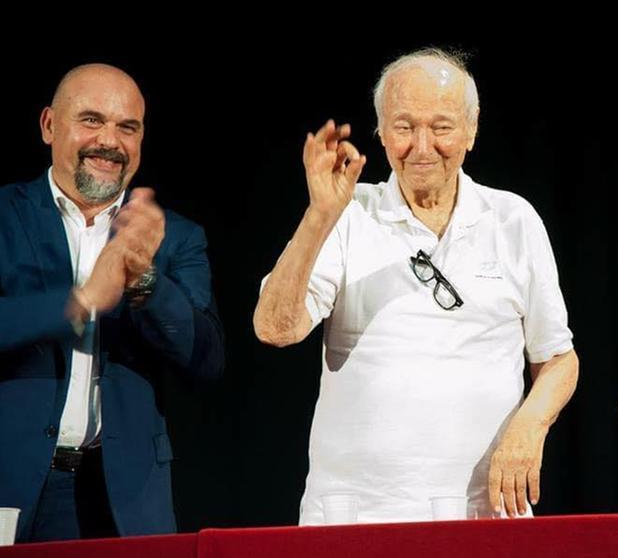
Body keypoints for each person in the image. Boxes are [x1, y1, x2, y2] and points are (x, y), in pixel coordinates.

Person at [254, 48, 579, 523]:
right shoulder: (347, 215)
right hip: (355, 516)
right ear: (382, 132)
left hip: (482, 514)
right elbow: (274, 328)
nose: (422, 147)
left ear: (471, 130)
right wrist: (319, 215)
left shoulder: (514, 219)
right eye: (404, 127)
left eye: (441, 127)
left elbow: (558, 359)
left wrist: (530, 425)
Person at [0, 63, 225, 541]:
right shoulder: (3, 216)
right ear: (48, 126)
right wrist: (79, 301)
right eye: (91, 120)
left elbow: (206, 361)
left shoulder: (174, 237)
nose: (110, 141)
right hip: (10, 484)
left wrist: (145, 280)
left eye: (128, 127)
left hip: (122, 499)